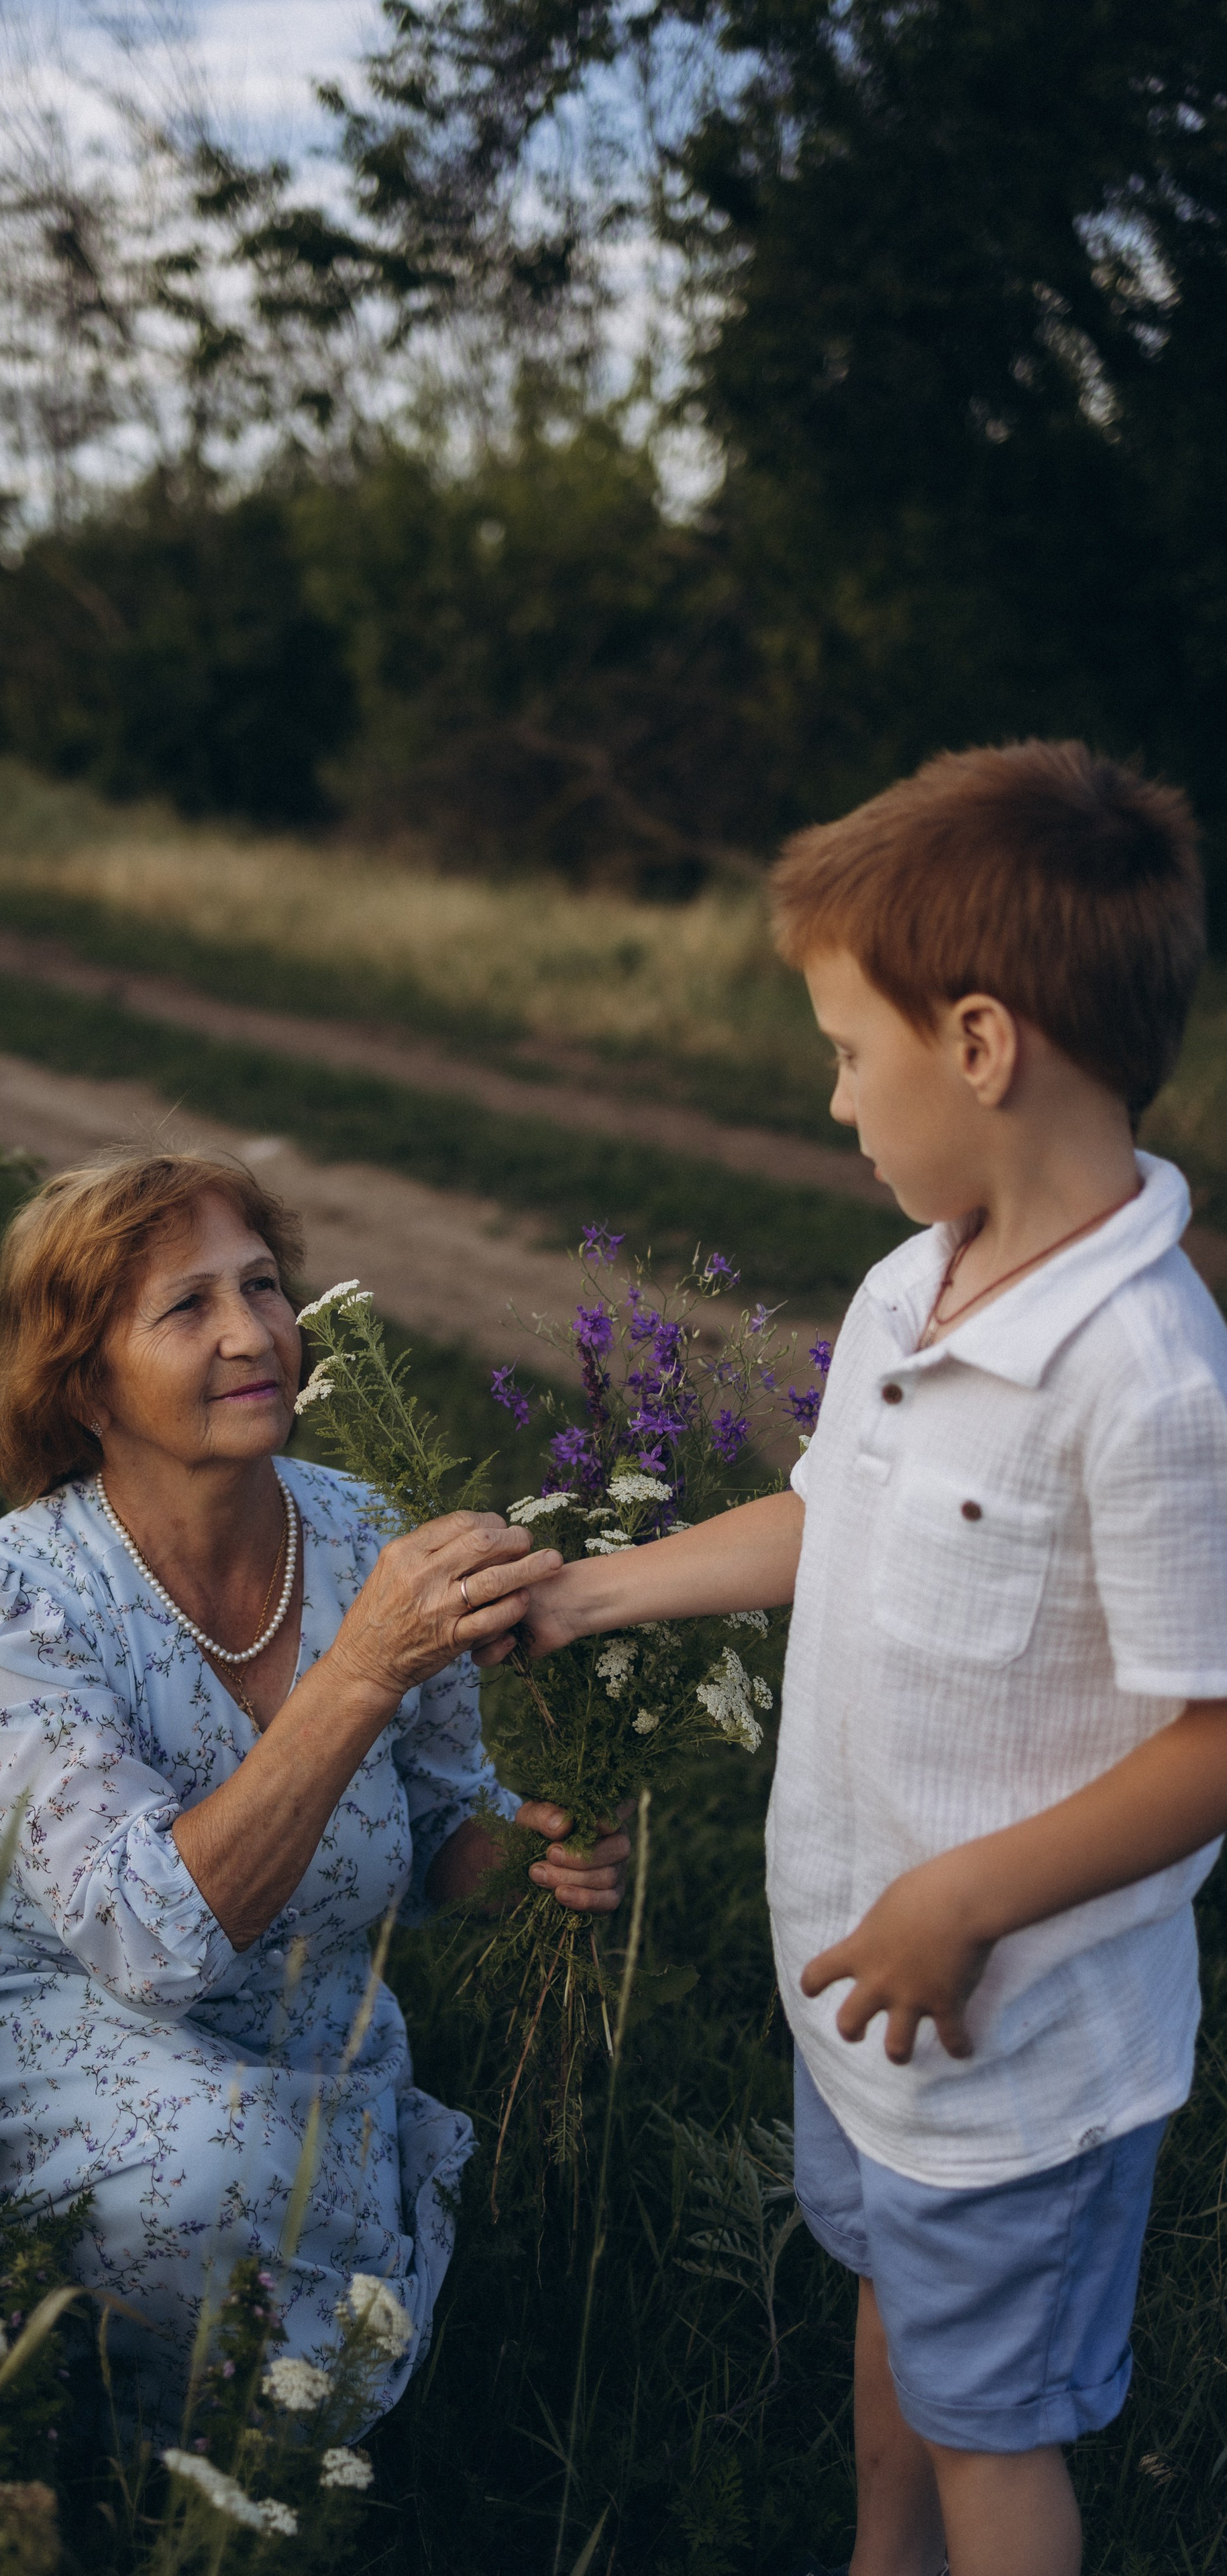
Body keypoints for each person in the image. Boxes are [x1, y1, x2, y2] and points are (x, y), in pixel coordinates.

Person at [492, 743, 1227, 2576]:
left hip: (1015, 2044)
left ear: (980, 1046)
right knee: (895, 2338)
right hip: (869, 2022)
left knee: (1002, 2441)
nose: (833, 1101)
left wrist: (967, 1897)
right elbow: (842, 1514)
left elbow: (1217, 1734)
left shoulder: (1147, 1380)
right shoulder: (917, 1280)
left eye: (846, 1050)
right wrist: (603, 1589)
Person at [0, 1150, 615, 2432]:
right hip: (39, 2017)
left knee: (255, 2172)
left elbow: (441, 1826)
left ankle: (263, 2458)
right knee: (214, 2169)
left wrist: (529, 1849)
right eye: (186, 1308)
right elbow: (143, 1945)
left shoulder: (369, 1536)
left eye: (262, 1286)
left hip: (302, 2029)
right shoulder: (17, 1597)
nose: (252, 1333)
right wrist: (366, 1667)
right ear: (86, 1385)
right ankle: (122, 2467)